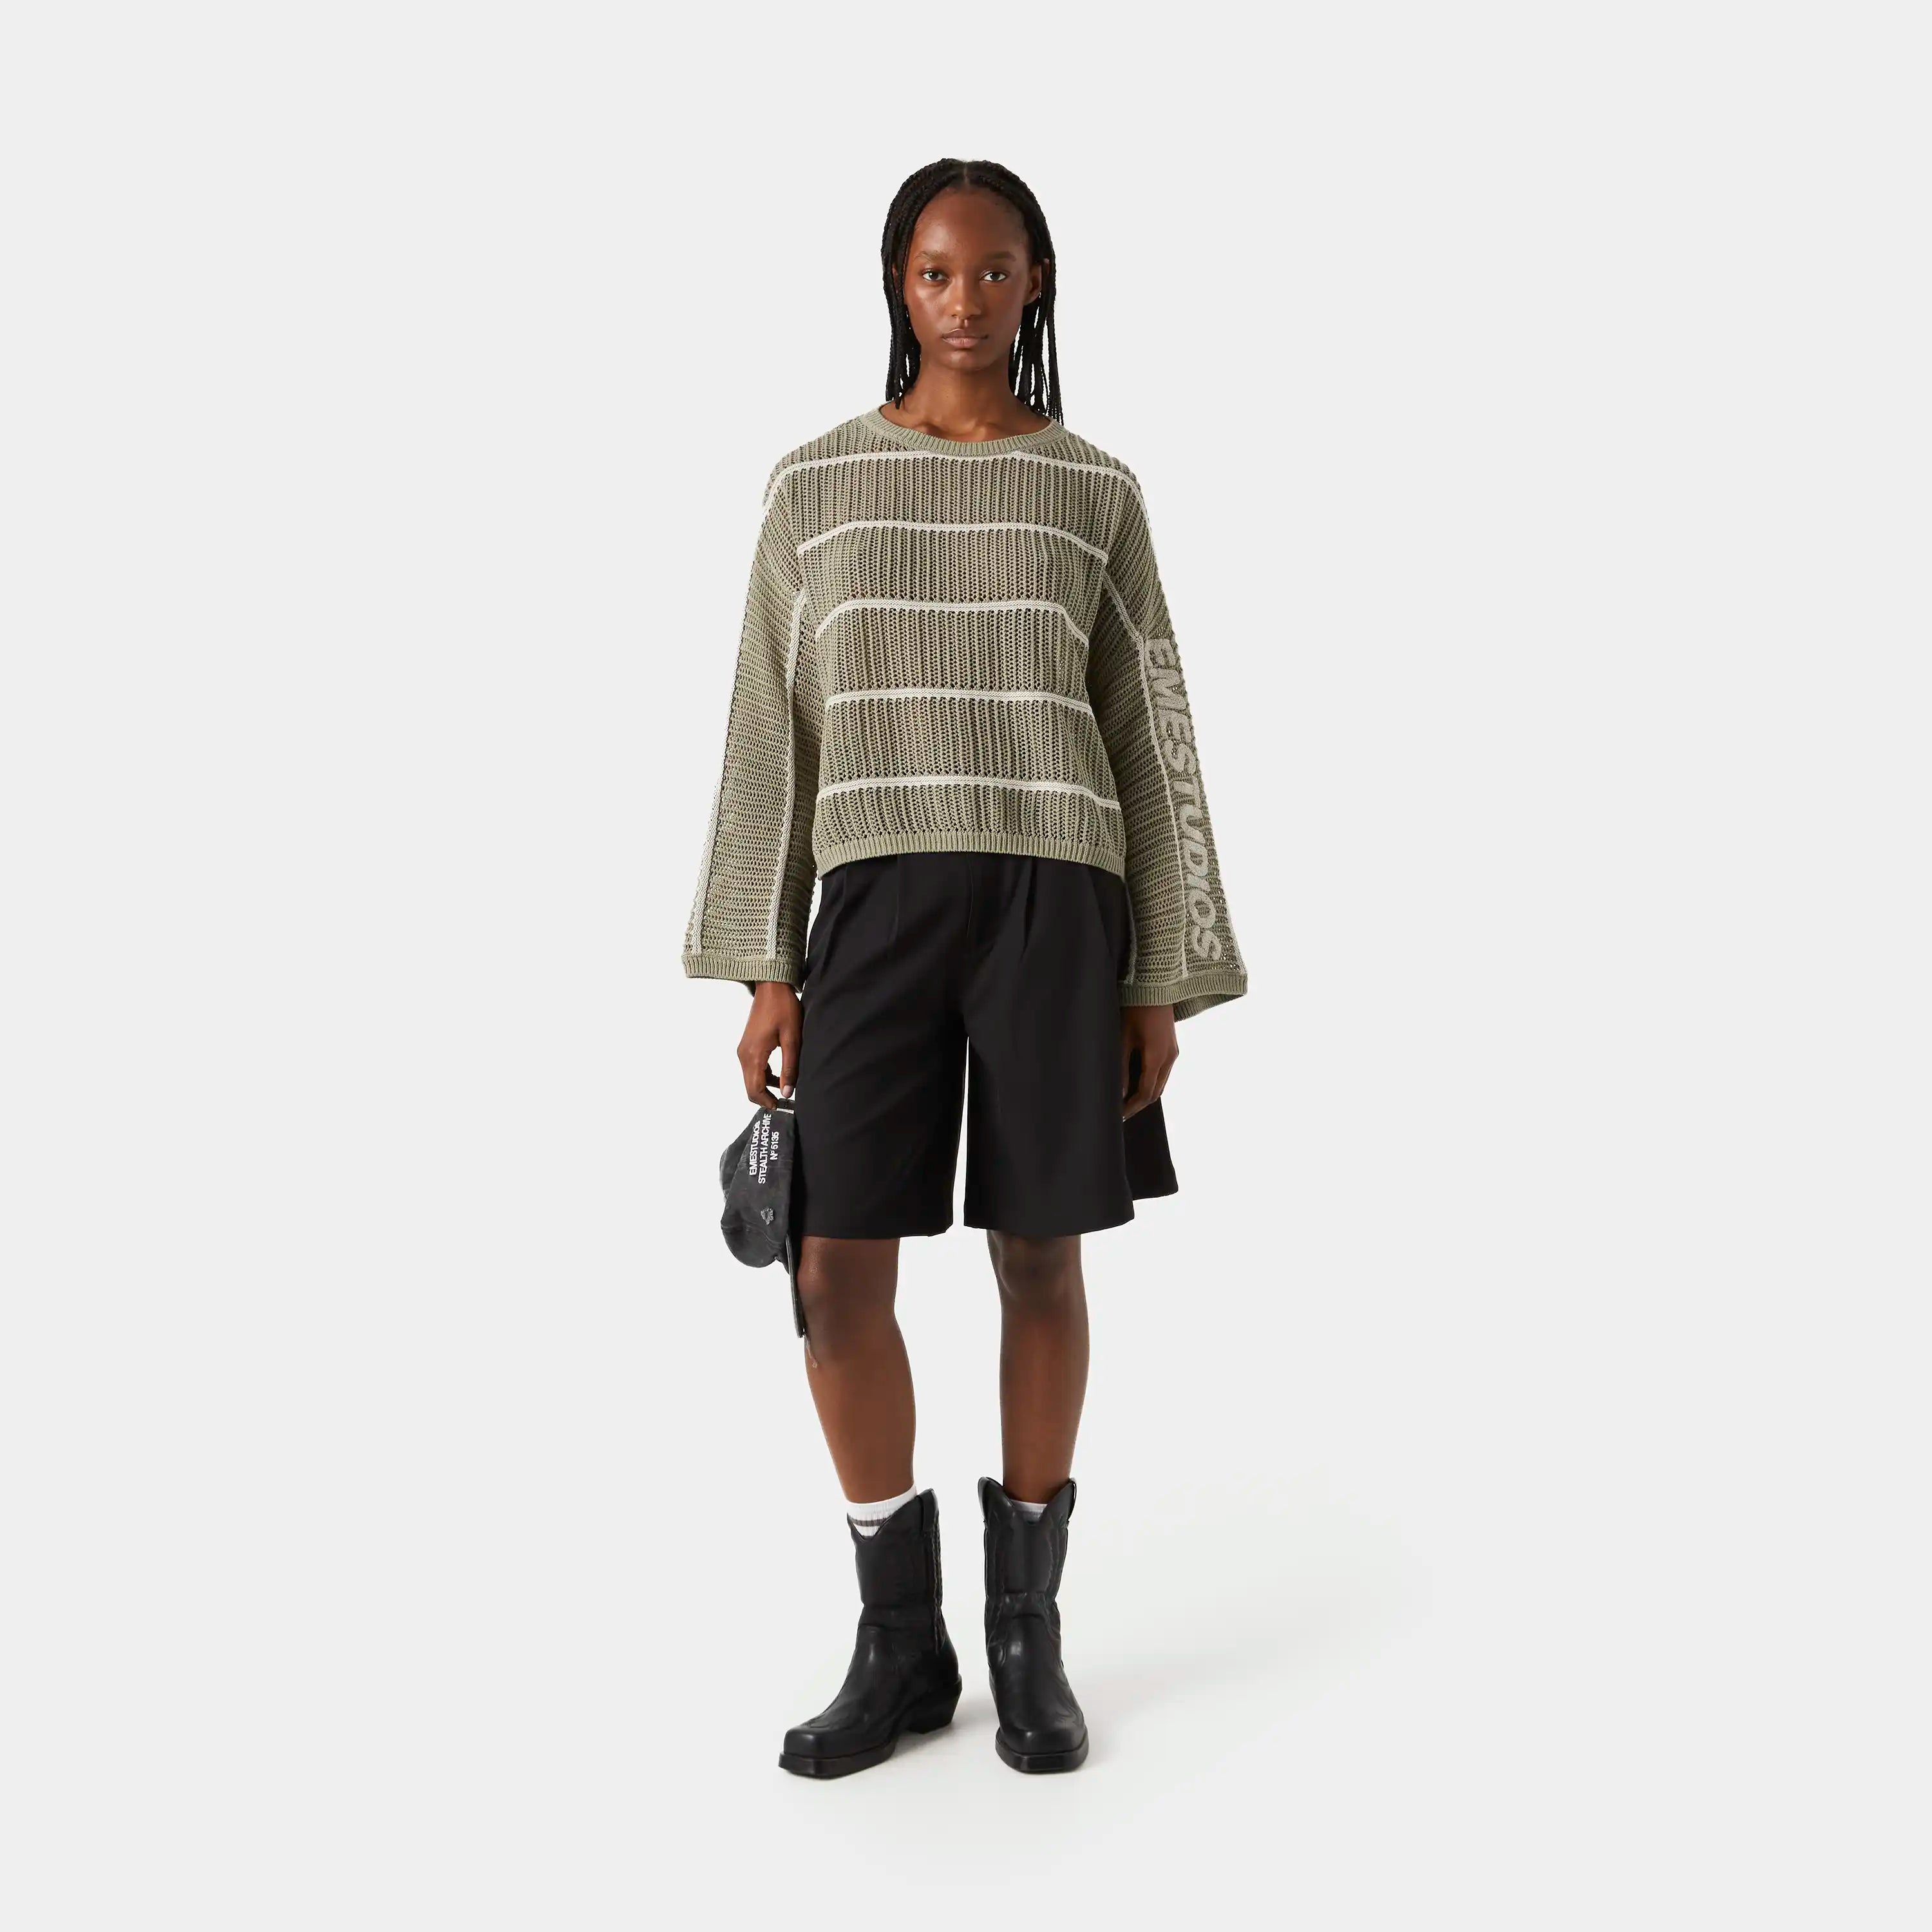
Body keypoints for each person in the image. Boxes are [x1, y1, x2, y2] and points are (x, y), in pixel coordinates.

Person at [683, 158, 1248, 1777]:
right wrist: (765, 963)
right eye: (937, 273)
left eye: (996, 272)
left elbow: (1152, 730)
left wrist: (1161, 975)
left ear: (1037, 282)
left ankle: (1026, 1637)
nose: (967, 302)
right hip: (870, 913)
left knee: (1039, 1254)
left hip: (1057, 910)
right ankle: (901, 1643)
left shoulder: (1095, 491)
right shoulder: (815, 486)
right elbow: (768, 728)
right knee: (831, 1272)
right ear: (897, 284)